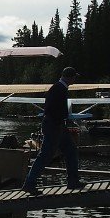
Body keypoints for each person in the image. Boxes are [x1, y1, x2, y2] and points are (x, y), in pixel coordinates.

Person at [21, 66, 83, 194]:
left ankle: (73, 181)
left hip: (57, 125)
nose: (75, 79)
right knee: (45, 156)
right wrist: (63, 119)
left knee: (71, 150)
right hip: (54, 126)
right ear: (70, 77)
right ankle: (29, 184)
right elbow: (54, 110)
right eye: (74, 77)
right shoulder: (59, 89)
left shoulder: (58, 88)